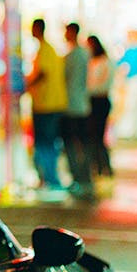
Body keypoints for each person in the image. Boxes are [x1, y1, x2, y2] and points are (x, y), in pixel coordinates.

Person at [24, 17, 67, 196]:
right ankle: (47, 178)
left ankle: (50, 178)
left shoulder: (45, 50)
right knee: (46, 143)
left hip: (47, 105)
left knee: (45, 143)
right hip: (48, 104)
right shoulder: (46, 49)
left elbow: (43, 73)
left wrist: (28, 85)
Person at [61, 22, 94, 198]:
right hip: (83, 105)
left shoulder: (73, 56)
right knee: (83, 143)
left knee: (72, 144)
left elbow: (65, 78)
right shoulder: (84, 54)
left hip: (71, 106)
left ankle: (79, 178)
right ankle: (85, 179)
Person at [86, 34, 114, 181]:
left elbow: (102, 84)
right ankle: (97, 166)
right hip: (92, 100)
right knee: (93, 135)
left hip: (100, 101)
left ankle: (104, 166)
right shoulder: (91, 62)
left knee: (98, 136)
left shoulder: (104, 62)